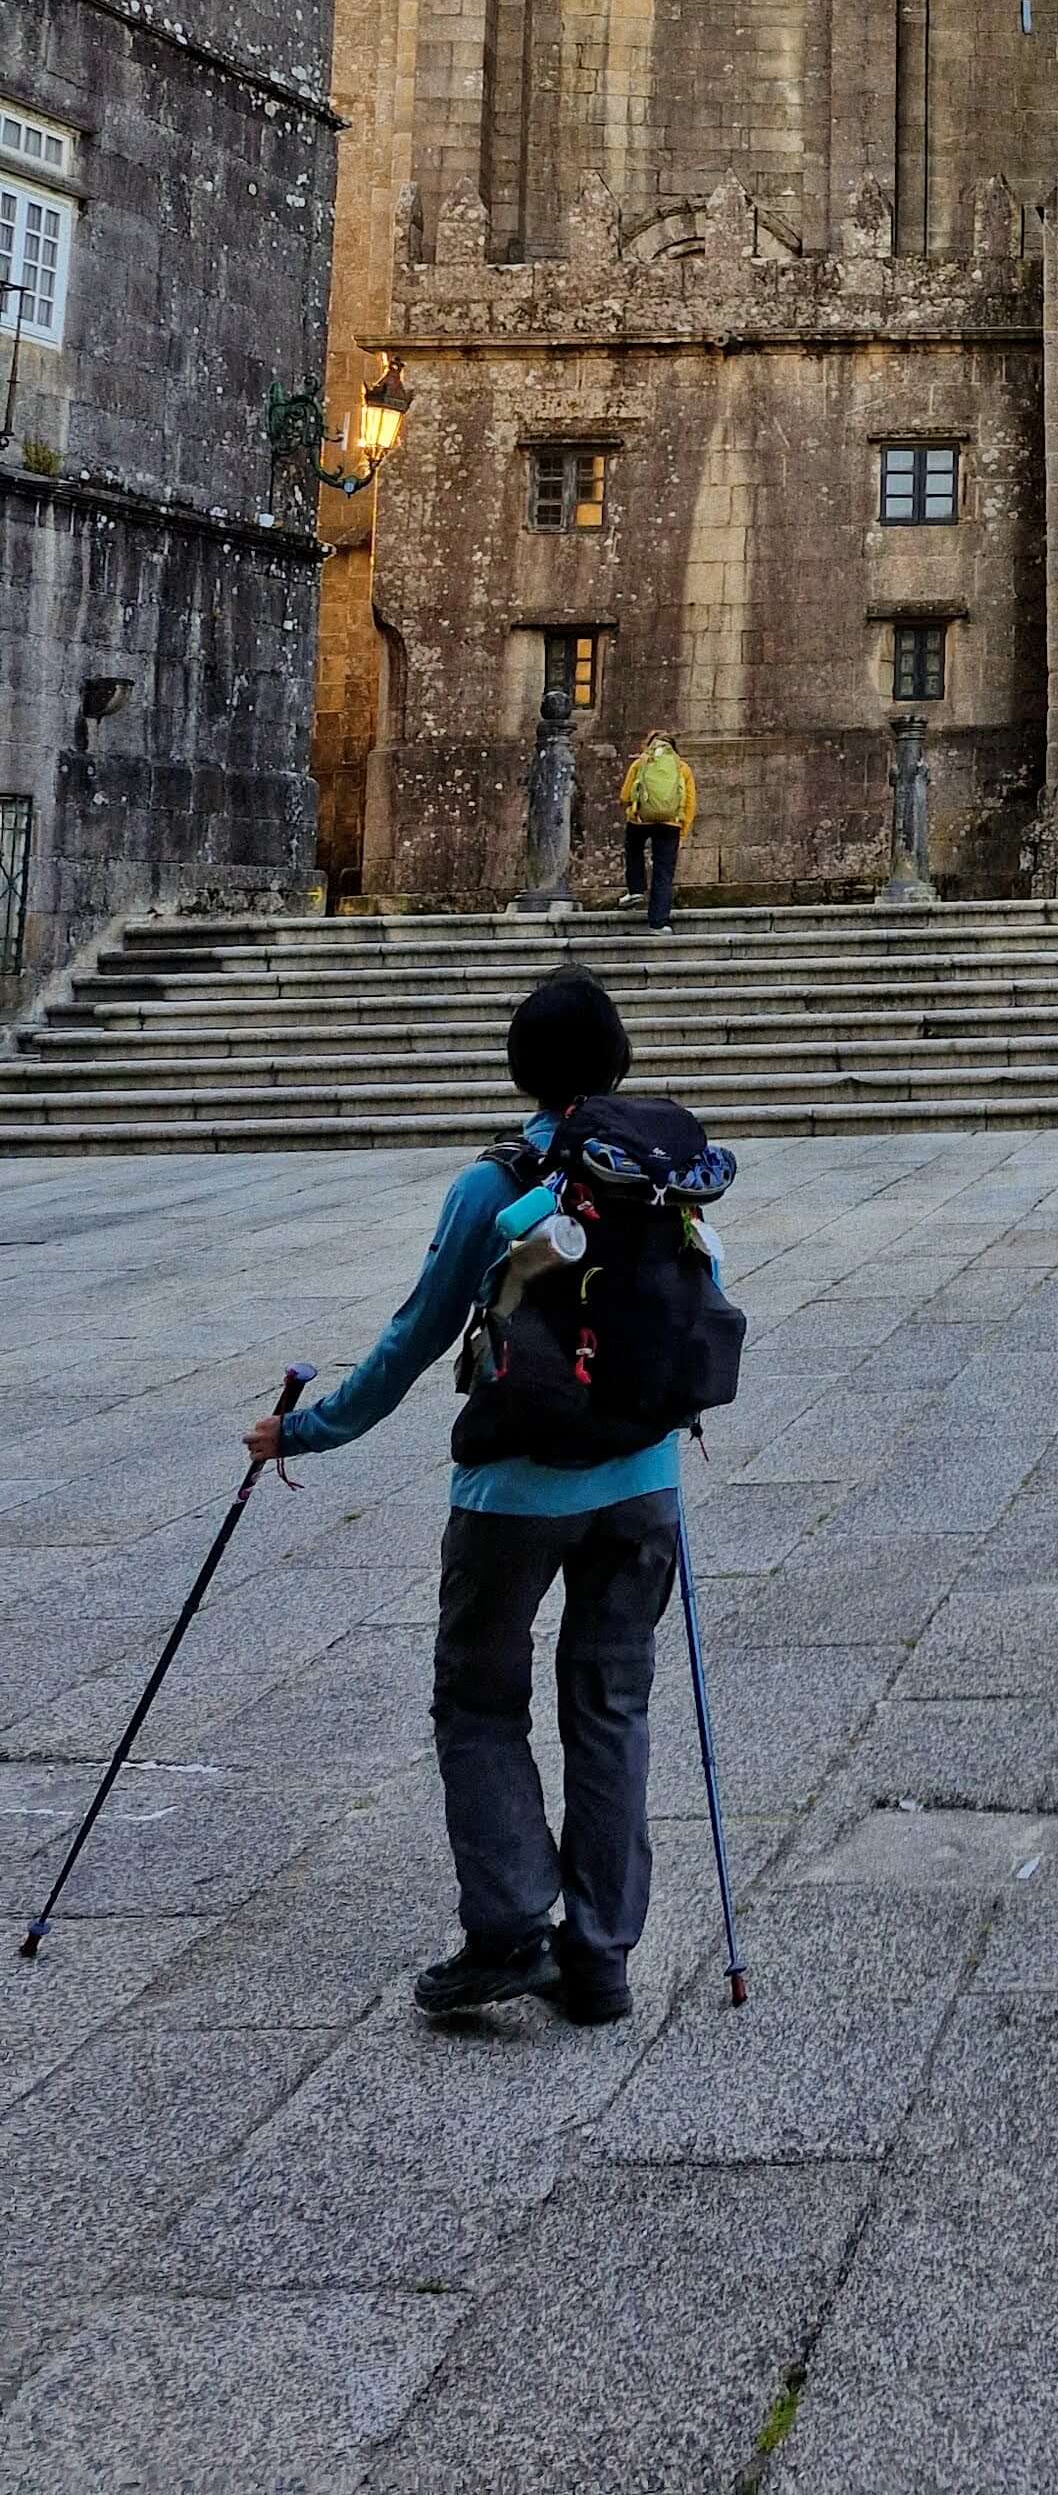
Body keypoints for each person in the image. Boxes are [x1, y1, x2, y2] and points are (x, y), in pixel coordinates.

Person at [246, 969, 685, 2027]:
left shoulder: (492, 1188)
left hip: (513, 1492)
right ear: (620, 1061)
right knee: (613, 1704)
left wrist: (300, 1428)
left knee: (482, 1699)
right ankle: (602, 1957)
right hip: (644, 1483)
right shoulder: (662, 1174)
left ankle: (507, 1931)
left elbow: (412, 1340)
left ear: (520, 1070)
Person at [618, 729, 695, 927]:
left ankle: (635, 889)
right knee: (663, 872)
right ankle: (658, 923)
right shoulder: (682, 768)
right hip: (670, 824)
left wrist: (633, 809)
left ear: (649, 745)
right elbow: (689, 804)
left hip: (640, 821)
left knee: (633, 849)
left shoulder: (641, 763)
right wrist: (682, 831)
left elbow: (625, 796)